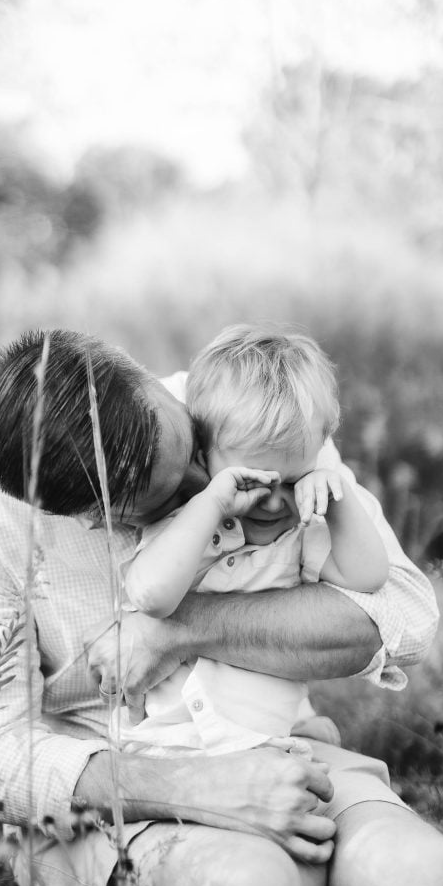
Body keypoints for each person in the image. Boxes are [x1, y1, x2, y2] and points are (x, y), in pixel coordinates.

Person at [0, 328, 443, 886]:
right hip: (113, 790)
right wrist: (199, 787)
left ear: (149, 381)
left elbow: (403, 616)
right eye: (176, 497)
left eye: (195, 453)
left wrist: (178, 631)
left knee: (424, 878)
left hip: (276, 747)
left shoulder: (244, 409)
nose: (224, 493)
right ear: (93, 517)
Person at [119, 325, 389, 761]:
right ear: (204, 456)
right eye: (252, 480)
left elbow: (369, 576)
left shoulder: (301, 532)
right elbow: (151, 597)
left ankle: (311, 730)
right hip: (168, 746)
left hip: (272, 744)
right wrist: (212, 503)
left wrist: (337, 496)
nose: (274, 501)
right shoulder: (186, 525)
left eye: (293, 479)